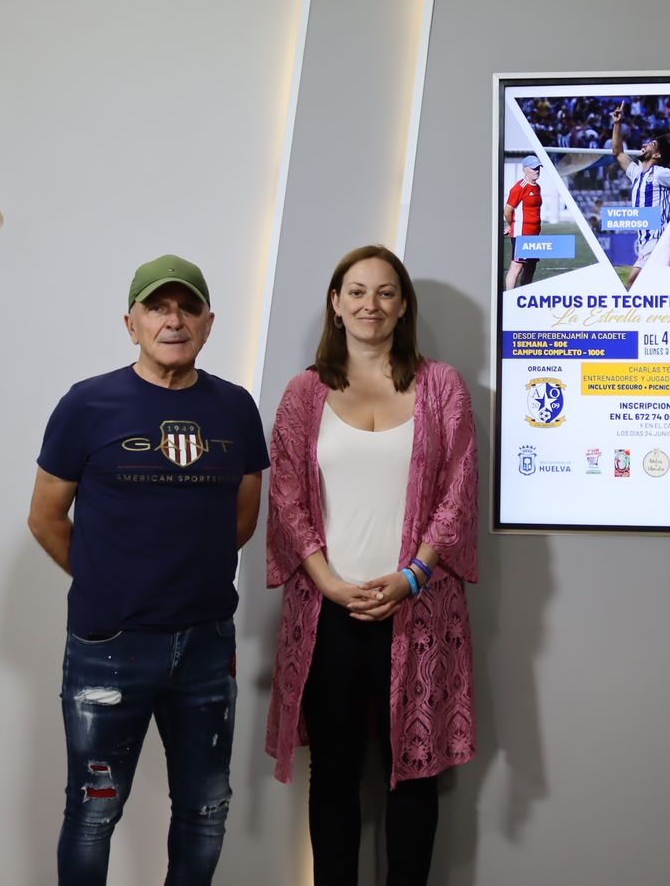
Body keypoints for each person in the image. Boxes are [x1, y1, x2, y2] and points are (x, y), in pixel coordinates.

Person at [28, 253, 268, 886]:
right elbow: (46, 516)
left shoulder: (236, 408)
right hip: (110, 644)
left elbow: (241, 519)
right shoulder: (87, 405)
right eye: (157, 307)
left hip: (207, 646)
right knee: (92, 813)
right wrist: (109, 581)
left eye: (187, 307)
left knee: (205, 811)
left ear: (209, 323)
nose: (174, 319)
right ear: (130, 322)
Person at [265, 245, 478, 886]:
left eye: (385, 292)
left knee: (413, 770)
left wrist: (412, 576)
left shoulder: (442, 387)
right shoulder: (305, 393)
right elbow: (287, 498)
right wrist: (328, 582)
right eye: (356, 292)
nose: (370, 305)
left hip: (417, 611)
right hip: (328, 613)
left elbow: (460, 491)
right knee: (333, 773)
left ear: (403, 305)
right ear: (335, 304)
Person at [611, 102, 670, 288]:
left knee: (633, 283)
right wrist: (618, 123)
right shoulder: (636, 172)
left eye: (651, 144)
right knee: (650, 287)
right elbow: (617, 152)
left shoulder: (661, 173)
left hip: (657, 238)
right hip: (645, 240)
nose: (644, 145)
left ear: (657, 155)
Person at [504, 155, 544, 289]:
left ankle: (524, 294)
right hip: (522, 233)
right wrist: (512, 225)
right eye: (533, 168)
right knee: (517, 266)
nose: (537, 170)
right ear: (525, 170)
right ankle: (510, 298)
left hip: (534, 234)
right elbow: (508, 210)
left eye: (538, 167)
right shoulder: (519, 188)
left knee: (531, 266)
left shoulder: (537, 187)